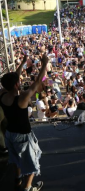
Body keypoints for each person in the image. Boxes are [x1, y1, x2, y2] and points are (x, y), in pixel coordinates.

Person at [0, 53, 48, 191]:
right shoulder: (23, 98)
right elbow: (38, 81)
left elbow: (13, 79)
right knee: (32, 162)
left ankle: (17, 178)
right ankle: (28, 187)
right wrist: (44, 63)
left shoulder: (2, 94)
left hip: (9, 134)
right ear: (16, 84)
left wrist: (22, 63)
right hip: (23, 136)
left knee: (15, 159)